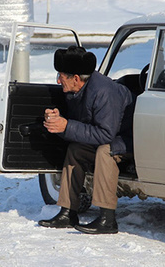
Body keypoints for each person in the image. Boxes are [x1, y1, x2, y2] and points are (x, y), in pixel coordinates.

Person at [38, 46, 134, 234]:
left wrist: (66, 126)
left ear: (75, 78)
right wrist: (59, 117)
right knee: (76, 150)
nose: (58, 81)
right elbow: (84, 122)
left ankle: (107, 218)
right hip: (110, 136)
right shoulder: (77, 89)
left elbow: (106, 134)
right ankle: (68, 212)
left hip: (129, 140)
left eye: (61, 76)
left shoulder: (104, 92)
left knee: (105, 151)